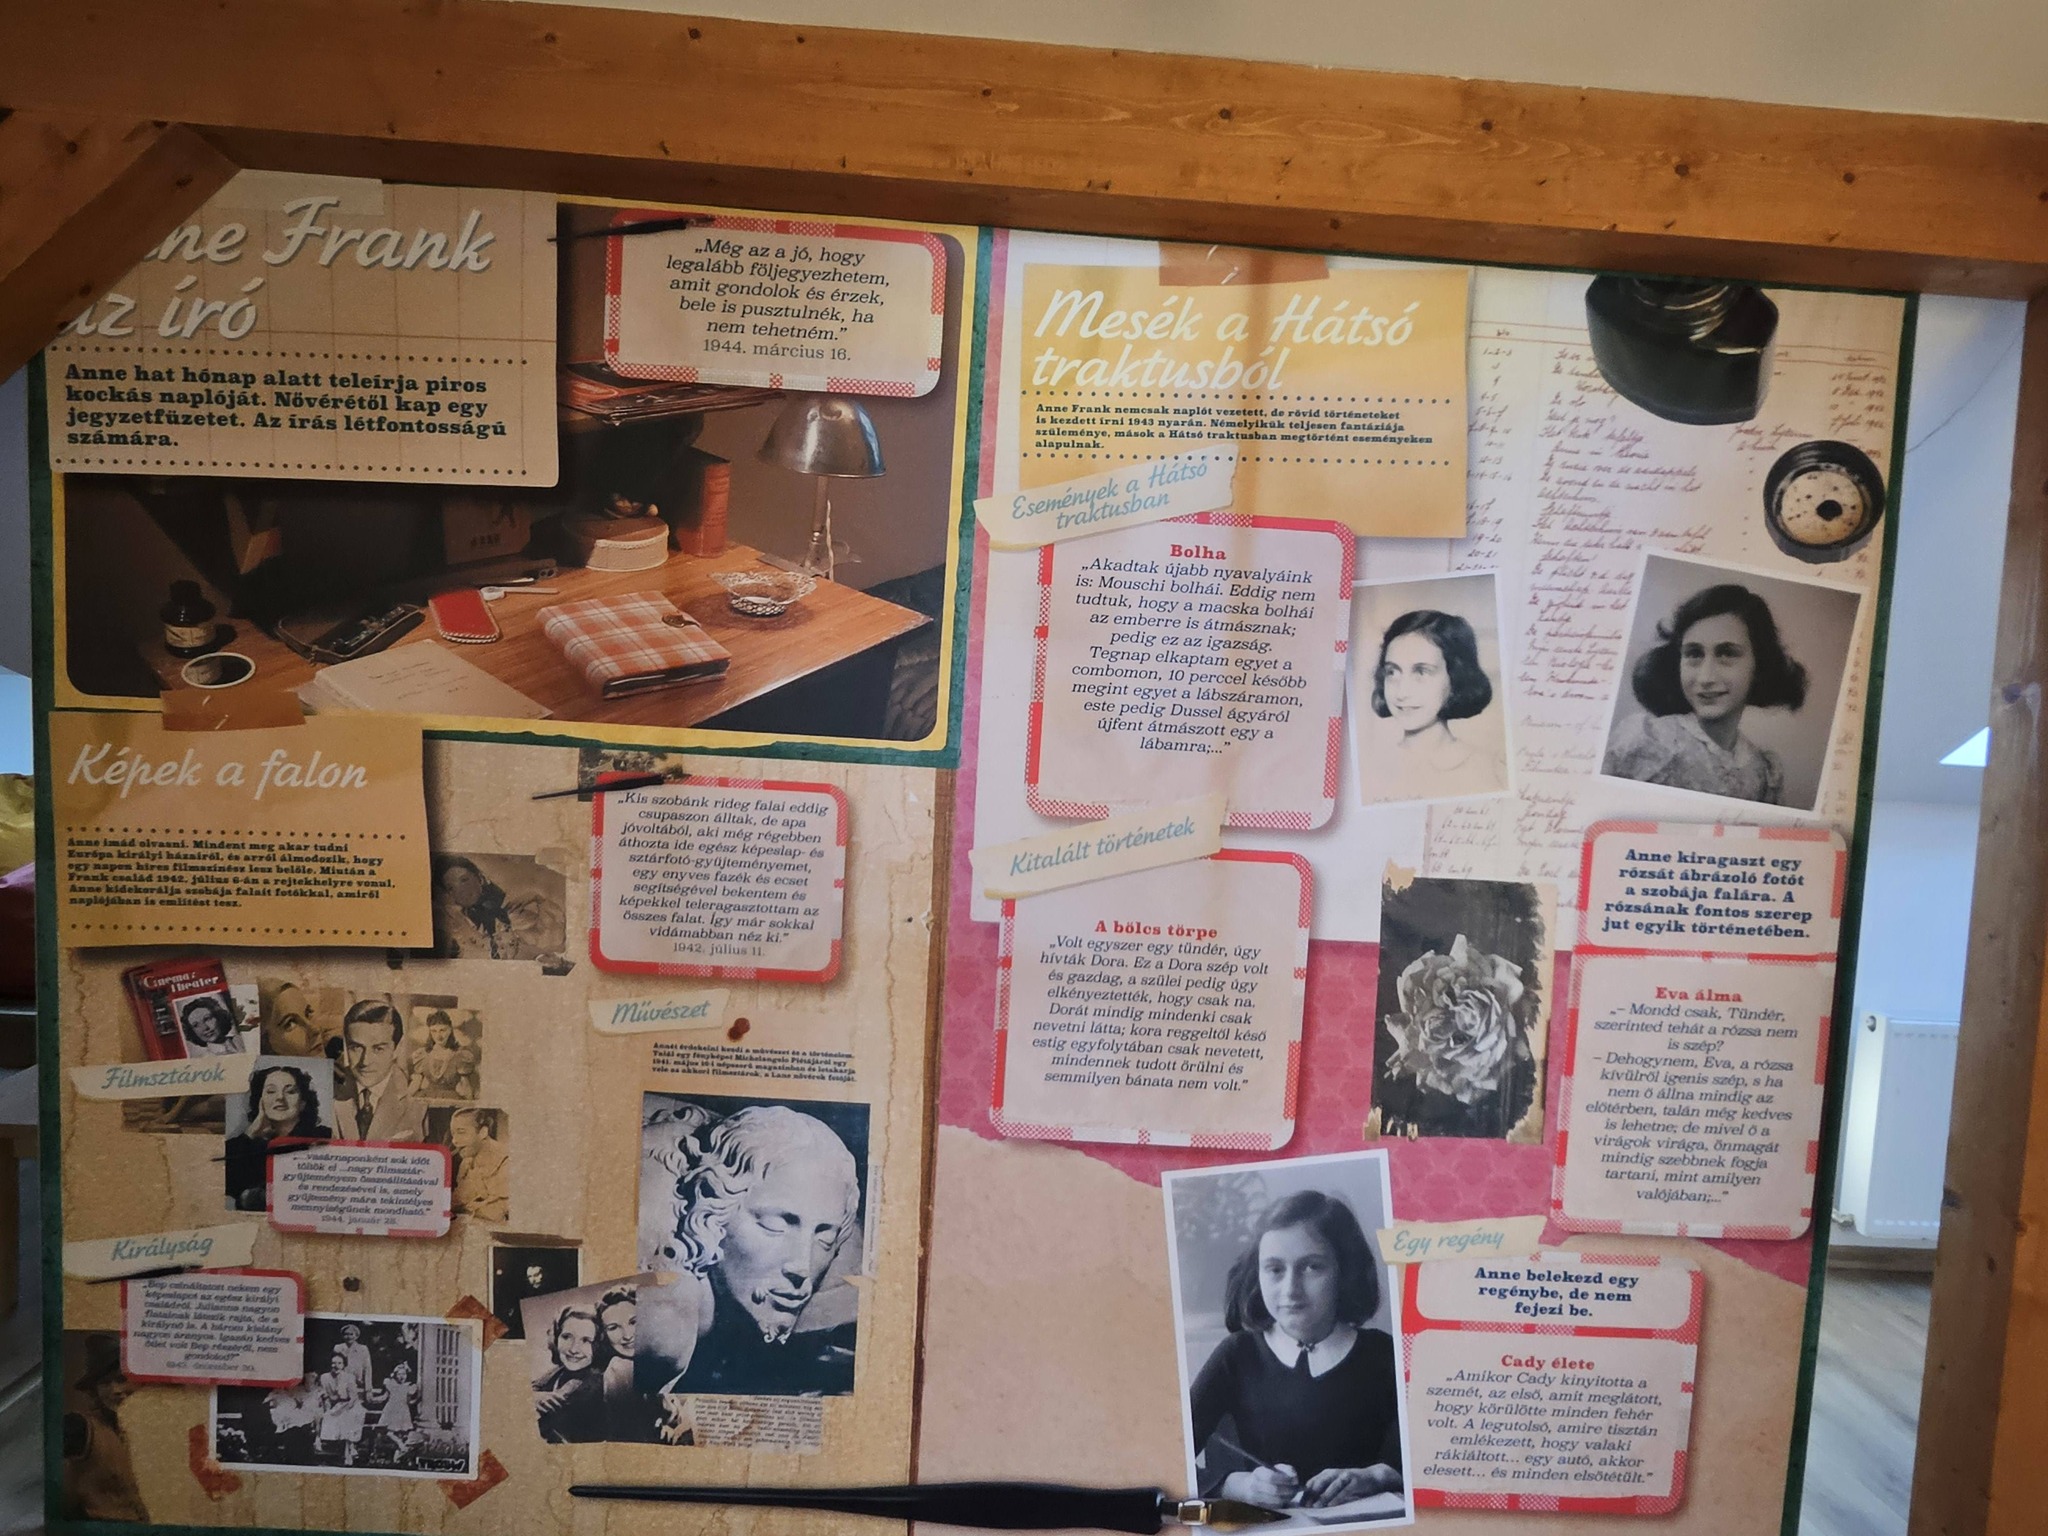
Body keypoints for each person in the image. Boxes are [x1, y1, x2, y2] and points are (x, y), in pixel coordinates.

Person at [1188, 1191, 1404, 1510]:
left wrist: (1377, 1476)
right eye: (1275, 1269)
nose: (1291, 1290)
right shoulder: (1236, 1355)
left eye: (1312, 1267)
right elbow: (1169, 1455)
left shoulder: (1386, 1355)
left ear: (1345, 1271)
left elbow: (1429, 1461)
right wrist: (1239, 1486)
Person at [639, 1104, 862, 1398]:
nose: (802, 1266)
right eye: (774, 1225)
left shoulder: (850, 1262)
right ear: (713, 1204)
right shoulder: (668, 1312)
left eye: (825, 1237)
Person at [1602, 583, 1808, 804]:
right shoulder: (1647, 742)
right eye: (1694, 654)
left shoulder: (1763, 771)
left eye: (1727, 654)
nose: (1706, 678)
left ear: (1759, 665)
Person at [1364, 609, 1507, 804]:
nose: (1402, 692)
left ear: (1455, 678)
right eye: (1392, 672)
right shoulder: (1370, 767)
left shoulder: (1490, 771)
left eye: (1421, 672)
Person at [225, 1064, 331, 1210]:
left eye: (290, 1091)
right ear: (260, 1100)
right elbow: (224, 1182)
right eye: (271, 1091)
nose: (280, 1097)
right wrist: (251, 1132)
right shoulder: (247, 1144)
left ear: (303, 1102)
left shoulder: (324, 1137)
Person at [433, 855, 564, 961]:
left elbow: (555, 940)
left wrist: (538, 899)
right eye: (451, 888)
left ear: (480, 878)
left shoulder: (513, 916)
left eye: (464, 880)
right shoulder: (454, 924)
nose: (460, 890)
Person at [332, 998, 428, 1142]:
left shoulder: (420, 1100)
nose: (365, 1061)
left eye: (378, 1049)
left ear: (397, 1048)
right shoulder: (327, 1090)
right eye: (356, 1048)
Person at [532, 1305, 608, 1443]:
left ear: (598, 1345)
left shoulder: (603, 1386)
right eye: (567, 1337)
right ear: (556, 1338)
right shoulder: (555, 1374)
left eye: (586, 1340)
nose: (574, 1349)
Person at [447, 1108, 510, 1222]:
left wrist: (468, 1208)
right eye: (453, 1134)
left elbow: (498, 1212)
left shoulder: (506, 1160)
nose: (454, 1141)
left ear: (483, 1132)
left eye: (461, 1132)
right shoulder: (467, 1162)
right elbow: (459, 1198)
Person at [408, 1010, 479, 1100]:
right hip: (427, 1098)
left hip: (450, 1099)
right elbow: (416, 1083)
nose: (438, 1036)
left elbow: (465, 1087)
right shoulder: (423, 1055)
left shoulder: (459, 1055)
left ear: (450, 1030)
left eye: (442, 1030)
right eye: (434, 1031)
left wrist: (470, 1103)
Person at [316, 1347, 368, 1467]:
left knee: (348, 1417)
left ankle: (348, 1452)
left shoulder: (349, 1377)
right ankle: (348, 1449)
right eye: (333, 1363)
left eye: (339, 1363)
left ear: (344, 1365)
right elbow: (325, 1396)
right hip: (336, 1405)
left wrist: (342, 1410)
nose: (336, 1366)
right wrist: (328, 1409)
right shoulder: (324, 1377)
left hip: (351, 1405)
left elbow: (353, 1398)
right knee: (330, 1417)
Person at [368, 1361, 418, 1465]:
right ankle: (400, 1445)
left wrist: (417, 1400)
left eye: (404, 1374)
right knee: (389, 1432)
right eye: (399, 1374)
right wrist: (374, 1399)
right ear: (395, 1375)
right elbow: (385, 1397)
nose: (401, 1376)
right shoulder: (391, 1384)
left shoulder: (408, 1387)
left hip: (402, 1410)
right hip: (391, 1410)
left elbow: (409, 1401)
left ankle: (397, 1455)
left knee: (402, 1434)